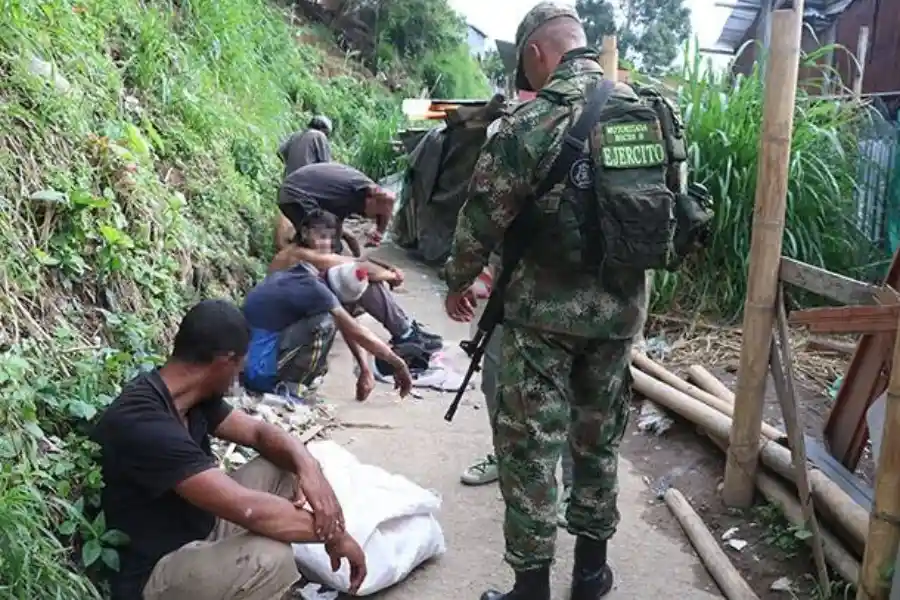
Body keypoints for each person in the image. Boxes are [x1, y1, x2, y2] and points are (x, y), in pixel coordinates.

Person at [444, 4, 665, 599]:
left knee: (530, 452)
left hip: (541, 321)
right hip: (619, 318)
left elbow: (479, 220)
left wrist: (458, 281)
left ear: (538, 53)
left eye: (525, 65)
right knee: (598, 447)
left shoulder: (530, 123)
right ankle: (591, 577)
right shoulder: (643, 114)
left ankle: (532, 590)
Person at [91, 300, 370, 600]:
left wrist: (308, 468)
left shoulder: (190, 395)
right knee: (269, 558)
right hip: (156, 571)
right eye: (241, 363)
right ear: (224, 361)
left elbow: (260, 433)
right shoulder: (144, 422)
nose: (242, 372)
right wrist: (335, 533)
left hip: (199, 530)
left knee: (283, 467)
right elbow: (247, 509)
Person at [459, 258, 574, 530]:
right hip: (512, 285)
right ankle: (504, 456)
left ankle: (575, 483)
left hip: (578, 294)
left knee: (572, 388)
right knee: (494, 380)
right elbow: (483, 220)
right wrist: (462, 277)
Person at [242, 257, 415, 402]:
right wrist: (398, 363)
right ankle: (291, 390)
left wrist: (365, 369)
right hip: (258, 372)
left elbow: (349, 328)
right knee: (324, 324)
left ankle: (288, 381)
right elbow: (356, 331)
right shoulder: (320, 295)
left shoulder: (302, 275)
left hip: (244, 358)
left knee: (324, 342)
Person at [270, 209, 443, 354]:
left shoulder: (304, 252)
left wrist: (387, 267)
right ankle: (405, 333)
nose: (326, 243)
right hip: (286, 325)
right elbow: (360, 267)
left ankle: (405, 330)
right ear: (306, 233)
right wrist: (392, 276)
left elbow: (355, 260)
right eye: (322, 237)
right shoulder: (300, 254)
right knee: (359, 279)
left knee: (356, 279)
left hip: (299, 314)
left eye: (330, 238)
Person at [278, 162, 395, 256]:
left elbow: (338, 227)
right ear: (371, 200)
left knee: (325, 241)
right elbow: (390, 198)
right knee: (322, 243)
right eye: (375, 216)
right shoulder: (366, 188)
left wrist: (377, 232)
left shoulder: (348, 199)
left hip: (295, 193)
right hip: (296, 194)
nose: (369, 217)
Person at [278, 115, 333, 179]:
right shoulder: (319, 136)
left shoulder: (296, 135)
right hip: (306, 180)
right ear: (324, 129)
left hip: (289, 180)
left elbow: (280, 152)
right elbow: (326, 165)